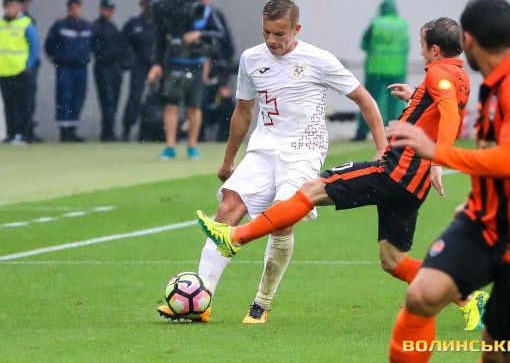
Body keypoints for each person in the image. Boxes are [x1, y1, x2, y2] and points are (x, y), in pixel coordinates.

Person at [197, 17, 489, 330]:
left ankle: (235, 237)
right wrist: (416, 97)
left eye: (422, 44)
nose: (420, 51)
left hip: (395, 170)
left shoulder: (439, 74)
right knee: (393, 260)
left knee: (310, 190)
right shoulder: (459, 76)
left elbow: (448, 115)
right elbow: (444, 110)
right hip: (412, 185)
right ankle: (468, 298)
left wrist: (439, 160)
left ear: (435, 49)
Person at [157, 0, 388, 324]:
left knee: (281, 219)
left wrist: (382, 150)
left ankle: (260, 304)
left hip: (305, 150)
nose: (271, 40)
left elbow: (364, 100)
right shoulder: (251, 59)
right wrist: (228, 159)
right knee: (228, 207)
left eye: (279, 33)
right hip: (264, 147)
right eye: (266, 32)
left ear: (296, 29)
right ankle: (201, 300)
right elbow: (244, 110)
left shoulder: (319, 60)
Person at [383, 0, 510, 362]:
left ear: (469, 41)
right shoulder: (496, 81)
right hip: (485, 220)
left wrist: (435, 152)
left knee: (495, 351)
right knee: (421, 295)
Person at [148, 0, 227, 160]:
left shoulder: (207, 12)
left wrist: (199, 34)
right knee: (171, 104)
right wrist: (157, 63)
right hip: (174, 62)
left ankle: (192, 145)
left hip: (196, 63)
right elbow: (160, 37)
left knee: (194, 106)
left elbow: (221, 33)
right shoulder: (172, 10)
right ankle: (170, 145)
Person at [353, 0, 409, 142]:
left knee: (368, 101)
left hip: (375, 69)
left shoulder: (376, 24)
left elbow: (364, 44)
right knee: (394, 104)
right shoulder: (402, 25)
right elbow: (406, 48)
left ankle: (362, 133)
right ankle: (392, 133)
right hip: (396, 70)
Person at [0, 0, 40, 145]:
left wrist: (28, 65)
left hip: (21, 70)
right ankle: (11, 133)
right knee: (9, 104)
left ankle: (23, 133)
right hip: (4, 70)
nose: (12, 9)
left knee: (24, 103)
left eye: (15, 6)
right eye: (9, 6)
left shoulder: (25, 23)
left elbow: (34, 46)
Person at [44, 0, 93, 142]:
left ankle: (72, 129)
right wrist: (57, 59)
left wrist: (86, 58)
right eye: (72, 8)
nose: (75, 10)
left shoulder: (87, 26)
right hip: (65, 69)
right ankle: (64, 131)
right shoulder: (60, 26)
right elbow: (49, 45)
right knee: (64, 98)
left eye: (77, 7)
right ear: (68, 9)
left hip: (81, 68)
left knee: (78, 98)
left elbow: (92, 45)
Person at [121, 0, 159, 142]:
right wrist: (131, 60)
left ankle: (155, 132)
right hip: (139, 66)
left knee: (160, 98)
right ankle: (127, 129)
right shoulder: (134, 24)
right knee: (135, 97)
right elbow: (124, 44)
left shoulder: (159, 24)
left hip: (156, 66)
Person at [199, 0, 236, 142]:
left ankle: (224, 137)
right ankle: (198, 138)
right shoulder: (189, 16)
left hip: (218, 72)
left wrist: (222, 77)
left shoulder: (214, 15)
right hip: (196, 70)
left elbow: (225, 41)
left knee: (227, 102)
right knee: (197, 104)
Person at [91, 0, 125, 142]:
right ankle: (107, 131)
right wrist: (113, 54)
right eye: (107, 9)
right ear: (101, 9)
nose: (109, 12)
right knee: (107, 100)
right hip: (104, 67)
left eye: (111, 9)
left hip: (115, 67)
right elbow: (98, 49)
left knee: (114, 100)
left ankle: (109, 130)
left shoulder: (112, 26)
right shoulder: (96, 26)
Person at [16, 0, 43, 143]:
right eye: (23, 2)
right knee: (18, 100)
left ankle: (27, 130)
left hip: (29, 66)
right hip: (17, 66)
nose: (26, 5)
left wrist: (31, 63)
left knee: (29, 100)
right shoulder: (16, 21)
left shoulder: (30, 20)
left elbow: (34, 44)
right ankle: (19, 132)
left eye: (27, 2)